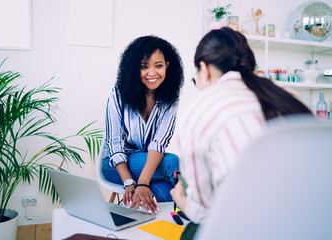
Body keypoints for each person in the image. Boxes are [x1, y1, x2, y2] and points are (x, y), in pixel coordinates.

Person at [170, 27, 311, 226]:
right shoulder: (286, 94)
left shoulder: (199, 110)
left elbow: (204, 214)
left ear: (205, 69)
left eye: (196, 79)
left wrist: (182, 200)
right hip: (309, 221)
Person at [101, 35, 184, 214]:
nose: (152, 73)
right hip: (115, 165)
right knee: (172, 163)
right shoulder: (118, 95)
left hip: (147, 164)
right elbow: (115, 145)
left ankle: (168, 227)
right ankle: (200, 219)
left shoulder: (171, 99)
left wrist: (144, 182)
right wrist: (130, 182)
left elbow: (159, 143)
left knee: (165, 189)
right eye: (144, 67)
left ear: (167, 66)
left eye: (158, 66)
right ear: (134, 69)